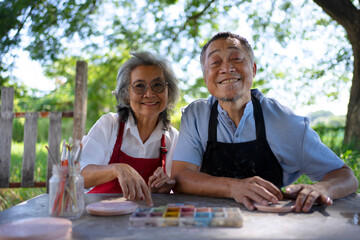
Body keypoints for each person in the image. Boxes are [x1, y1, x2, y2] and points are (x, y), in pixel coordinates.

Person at [171, 32, 359, 213]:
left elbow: (346, 176)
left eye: (236, 58)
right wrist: (234, 187)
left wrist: (322, 188)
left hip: (272, 225)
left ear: (253, 69)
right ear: (205, 78)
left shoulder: (286, 123)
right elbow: (180, 178)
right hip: (209, 222)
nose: (226, 68)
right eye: (215, 62)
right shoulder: (195, 116)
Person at [80, 51, 180, 206]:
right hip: (100, 217)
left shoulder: (173, 138)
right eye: (139, 86)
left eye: (158, 85)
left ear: (169, 92)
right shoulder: (109, 125)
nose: (149, 93)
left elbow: (175, 189)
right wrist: (116, 169)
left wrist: (165, 188)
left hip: (144, 220)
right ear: (126, 94)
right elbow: (78, 177)